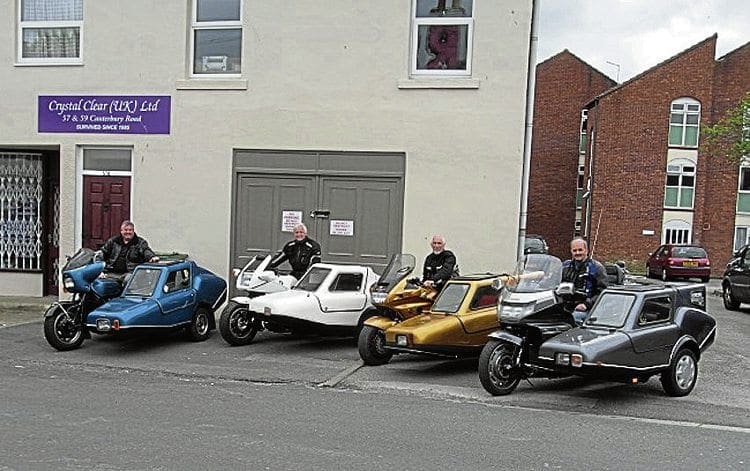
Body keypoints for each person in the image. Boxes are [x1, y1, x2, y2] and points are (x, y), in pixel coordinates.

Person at [561, 237, 608, 325]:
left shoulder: (596, 268)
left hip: (587, 308)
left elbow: (603, 292)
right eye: (574, 250)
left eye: (580, 250)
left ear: (586, 250)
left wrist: (586, 304)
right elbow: (556, 283)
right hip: (566, 306)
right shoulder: (565, 266)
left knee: (574, 318)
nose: (577, 253)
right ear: (571, 251)